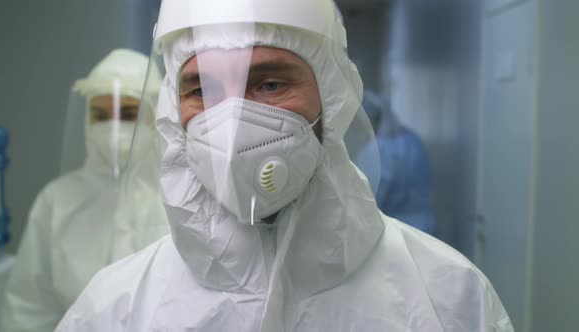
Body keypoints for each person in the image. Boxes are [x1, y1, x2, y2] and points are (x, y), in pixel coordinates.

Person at [57, 1, 513, 331]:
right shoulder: (114, 309)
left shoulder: (449, 298)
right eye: (203, 90)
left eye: (270, 83)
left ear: (331, 100)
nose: (232, 124)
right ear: (173, 113)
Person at [0, 49, 168, 332]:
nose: (112, 127)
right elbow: (29, 309)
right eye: (99, 115)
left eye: (128, 113)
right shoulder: (57, 202)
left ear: (157, 117)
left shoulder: (181, 202)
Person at [356, 90, 437, 235]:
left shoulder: (378, 148)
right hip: (425, 225)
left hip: (398, 228)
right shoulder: (412, 138)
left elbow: (371, 194)